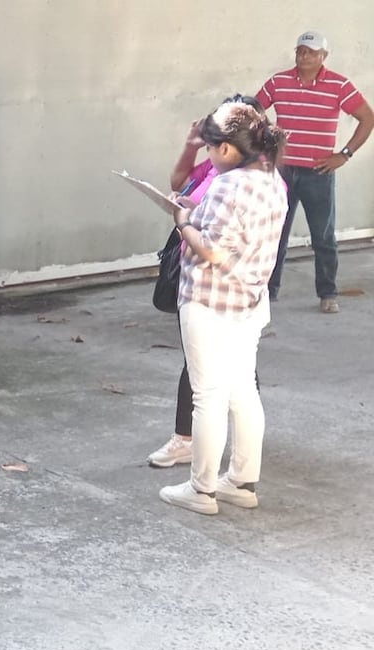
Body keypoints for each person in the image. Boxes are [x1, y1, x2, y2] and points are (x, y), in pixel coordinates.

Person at [159, 99, 288, 515]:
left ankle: (201, 490)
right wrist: (196, 213)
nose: (210, 156)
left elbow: (212, 251)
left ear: (227, 149)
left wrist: (182, 221)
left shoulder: (227, 185)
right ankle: (242, 483)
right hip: (251, 301)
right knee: (243, 391)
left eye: (212, 148)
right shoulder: (272, 179)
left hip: (209, 302)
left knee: (208, 396)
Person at [256, 31, 374, 313]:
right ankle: (267, 293)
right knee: (274, 234)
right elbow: (253, 110)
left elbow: (367, 118)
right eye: (300, 50)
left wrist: (344, 155)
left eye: (311, 52)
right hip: (281, 172)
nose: (304, 56)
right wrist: (266, 139)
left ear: (324, 56)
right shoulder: (278, 82)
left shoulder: (339, 85)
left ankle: (327, 293)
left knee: (323, 237)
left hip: (318, 173)